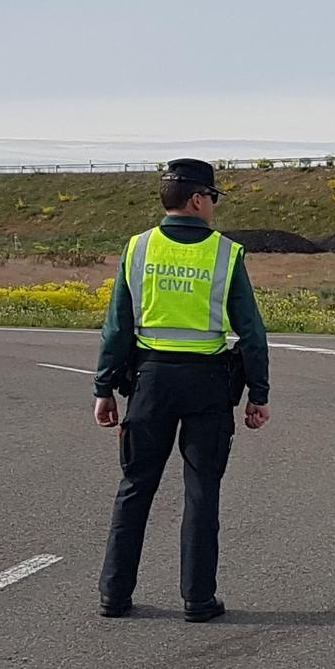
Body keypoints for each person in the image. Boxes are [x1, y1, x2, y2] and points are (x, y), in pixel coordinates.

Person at [94, 158, 271, 621]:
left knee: (135, 487)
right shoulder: (224, 253)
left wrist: (104, 388)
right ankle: (197, 599)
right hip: (207, 384)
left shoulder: (138, 248)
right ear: (196, 199)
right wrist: (258, 394)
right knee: (201, 491)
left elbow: (117, 327)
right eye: (212, 197)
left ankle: (114, 595)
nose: (213, 205)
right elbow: (252, 332)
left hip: (150, 381)